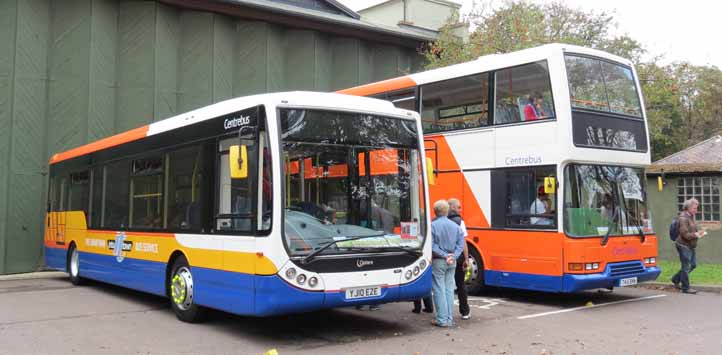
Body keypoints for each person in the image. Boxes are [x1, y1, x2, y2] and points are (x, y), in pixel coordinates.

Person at [430, 200, 465, 328]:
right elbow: (461, 244)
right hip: (452, 261)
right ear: (447, 211)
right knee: (449, 289)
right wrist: (453, 256)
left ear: (435, 211)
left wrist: (444, 255)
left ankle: (442, 319)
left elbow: (432, 244)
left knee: (439, 289)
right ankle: (449, 319)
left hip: (439, 260)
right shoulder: (456, 226)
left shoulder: (433, 225)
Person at [671, 198, 706, 294]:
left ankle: (675, 279)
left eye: (697, 208)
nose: (696, 210)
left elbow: (691, 231)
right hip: (683, 245)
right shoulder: (683, 218)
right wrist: (696, 234)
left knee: (693, 265)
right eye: (695, 208)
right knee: (686, 266)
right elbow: (685, 234)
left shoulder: (690, 217)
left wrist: (699, 233)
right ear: (688, 208)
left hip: (690, 245)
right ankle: (685, 288)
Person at [448, 198, 470, 320]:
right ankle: (464, 311)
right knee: (460, 284)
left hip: (444, 257)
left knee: (446, 285)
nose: (460, 209)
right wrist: (466, 259)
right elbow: (463, 242)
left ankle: (447, 312)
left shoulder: (439, 220)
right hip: (458, 256)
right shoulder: (459, 221)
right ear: (452, 207)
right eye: (459, 207)